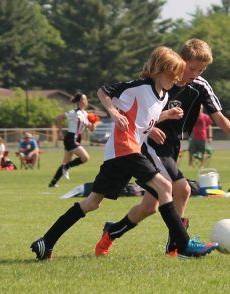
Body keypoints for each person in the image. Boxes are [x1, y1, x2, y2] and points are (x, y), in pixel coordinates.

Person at [30, 46, 218, 261]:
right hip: (124, 149)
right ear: (159, 70)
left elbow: (144, 120)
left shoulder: (163, 96)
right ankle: (183, 245)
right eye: (172, 74)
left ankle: (46, 241)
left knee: (92, 203)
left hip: (121, 154)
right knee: (165, 186)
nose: (176, 79)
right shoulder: (139, 86)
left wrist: (160, 120)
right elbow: (104, 91)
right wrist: (113, 113)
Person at [94, 39, 230, 258]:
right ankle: (178, 247)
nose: (195, 73)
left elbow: (222, 121)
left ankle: (112, 231)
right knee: (183, 189)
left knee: (149, 206)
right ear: (180, 61)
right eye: (192, 68)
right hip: (152, 144)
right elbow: (140, 114)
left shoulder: (200, 86)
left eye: (201, 69)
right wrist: (149, 128)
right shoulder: (161, 81)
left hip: (172, 147)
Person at [48, 92, 96, 188]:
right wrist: (60, 132)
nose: (86, 101)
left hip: (76, 139)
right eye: (84, 99)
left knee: (65, 162)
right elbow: (60, 117)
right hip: (70, 138)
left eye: (86, 99)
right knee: (85, 158)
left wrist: (93, 122)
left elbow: (91, 129)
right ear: (79, 102)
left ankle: (52, 183)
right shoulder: (74, 112)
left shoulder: (85, 114)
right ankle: (66, 167)